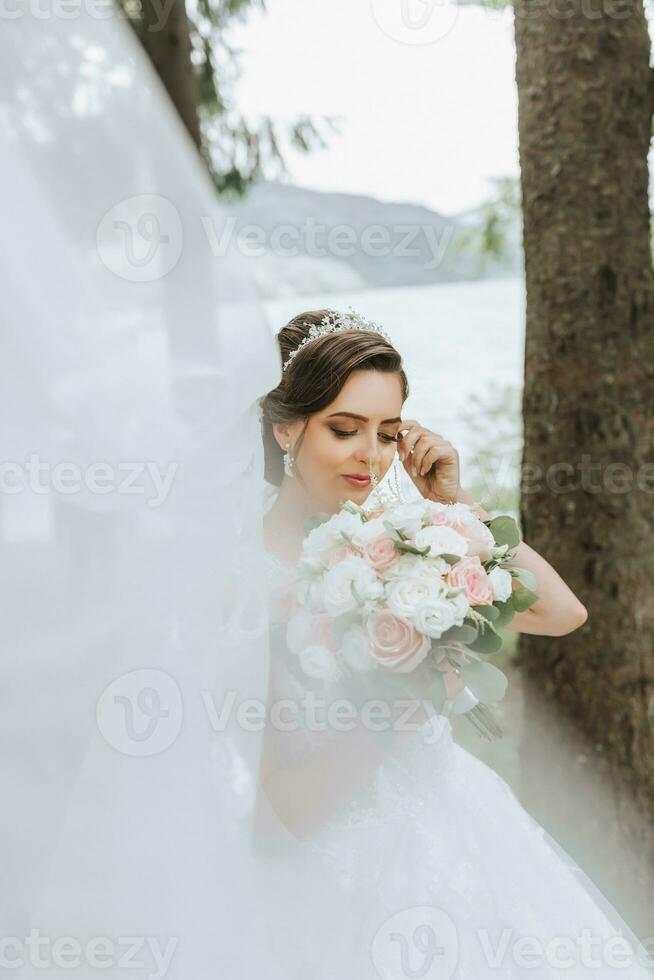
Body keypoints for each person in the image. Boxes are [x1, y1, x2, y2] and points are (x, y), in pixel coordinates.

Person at [254, 308, 653, 979]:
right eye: (344, 429)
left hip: (464, 841)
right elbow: (281, 811)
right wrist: (404, 707)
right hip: (338, 885)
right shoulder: (247, 579)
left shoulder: (401, 534)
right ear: (286, 427)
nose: (370, 456)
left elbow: (561, 613)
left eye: (387, 432)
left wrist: (453, 498)